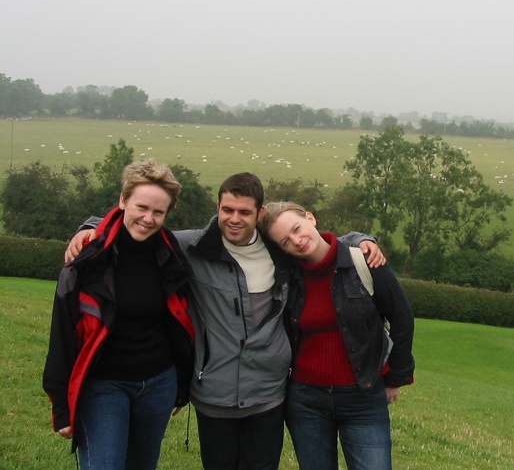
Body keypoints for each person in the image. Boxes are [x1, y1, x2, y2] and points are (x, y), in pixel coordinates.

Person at [65, 172, 384, 470]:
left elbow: (317, 241)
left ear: (259, 215)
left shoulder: (279, 248)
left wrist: (359, 238)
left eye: (244, 212)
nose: (234, 219)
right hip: (213, 394)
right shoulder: (193, 246)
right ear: (217, 207)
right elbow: (143, 229)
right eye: (227, 210)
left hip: (269, 395)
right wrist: (90, 226)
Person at [43, 160, 195, 470]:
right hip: (103, 384)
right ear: (123, 200)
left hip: (158, 384)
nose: (148, 218)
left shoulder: (172, 257)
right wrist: (61, 404)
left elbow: (176, 324)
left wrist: (182, 385)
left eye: (158, 212)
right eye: (141, 207)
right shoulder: (87, 259)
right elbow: (62, 333)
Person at [261, 201, 415, 470]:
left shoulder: (364, 260)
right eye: (285, 241)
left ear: (311, 218)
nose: (297, 241)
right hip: (305, 401)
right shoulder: (287, 275)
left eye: (297, 228)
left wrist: (396, 378)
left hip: (364, 397)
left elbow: (402, 318)